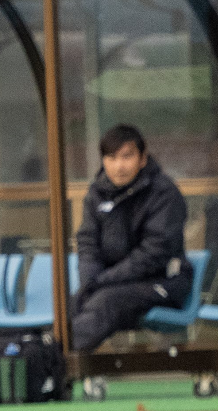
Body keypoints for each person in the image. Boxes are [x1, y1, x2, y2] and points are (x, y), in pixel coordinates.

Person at [73, 124, 193, 353]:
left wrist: (103, 281)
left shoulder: (164, 193)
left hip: (163, 283)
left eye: (127, 157)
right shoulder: (96, 194)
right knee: (72, 303)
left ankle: (58, 362)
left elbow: (154, 254)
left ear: (142, 158)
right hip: (111, 285)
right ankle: (39, 357)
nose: (119, 166)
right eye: (111, 158)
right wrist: (90, 281)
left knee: (105, 301)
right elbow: (87, 244)